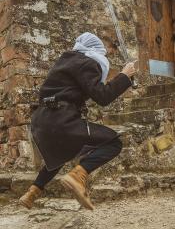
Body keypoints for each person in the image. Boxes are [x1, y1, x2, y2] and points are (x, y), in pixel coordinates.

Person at [19, 32, 136, 210]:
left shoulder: (65, 61)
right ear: (96, 50)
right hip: (61, 120)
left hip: (41, 121)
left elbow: (86, 88)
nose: (105, 56)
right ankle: (78, 175)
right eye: (105, 52)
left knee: (62, 152)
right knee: (113, 142)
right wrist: (124, 76)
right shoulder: (88, 63)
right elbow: (102, 97)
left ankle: (32, 192)